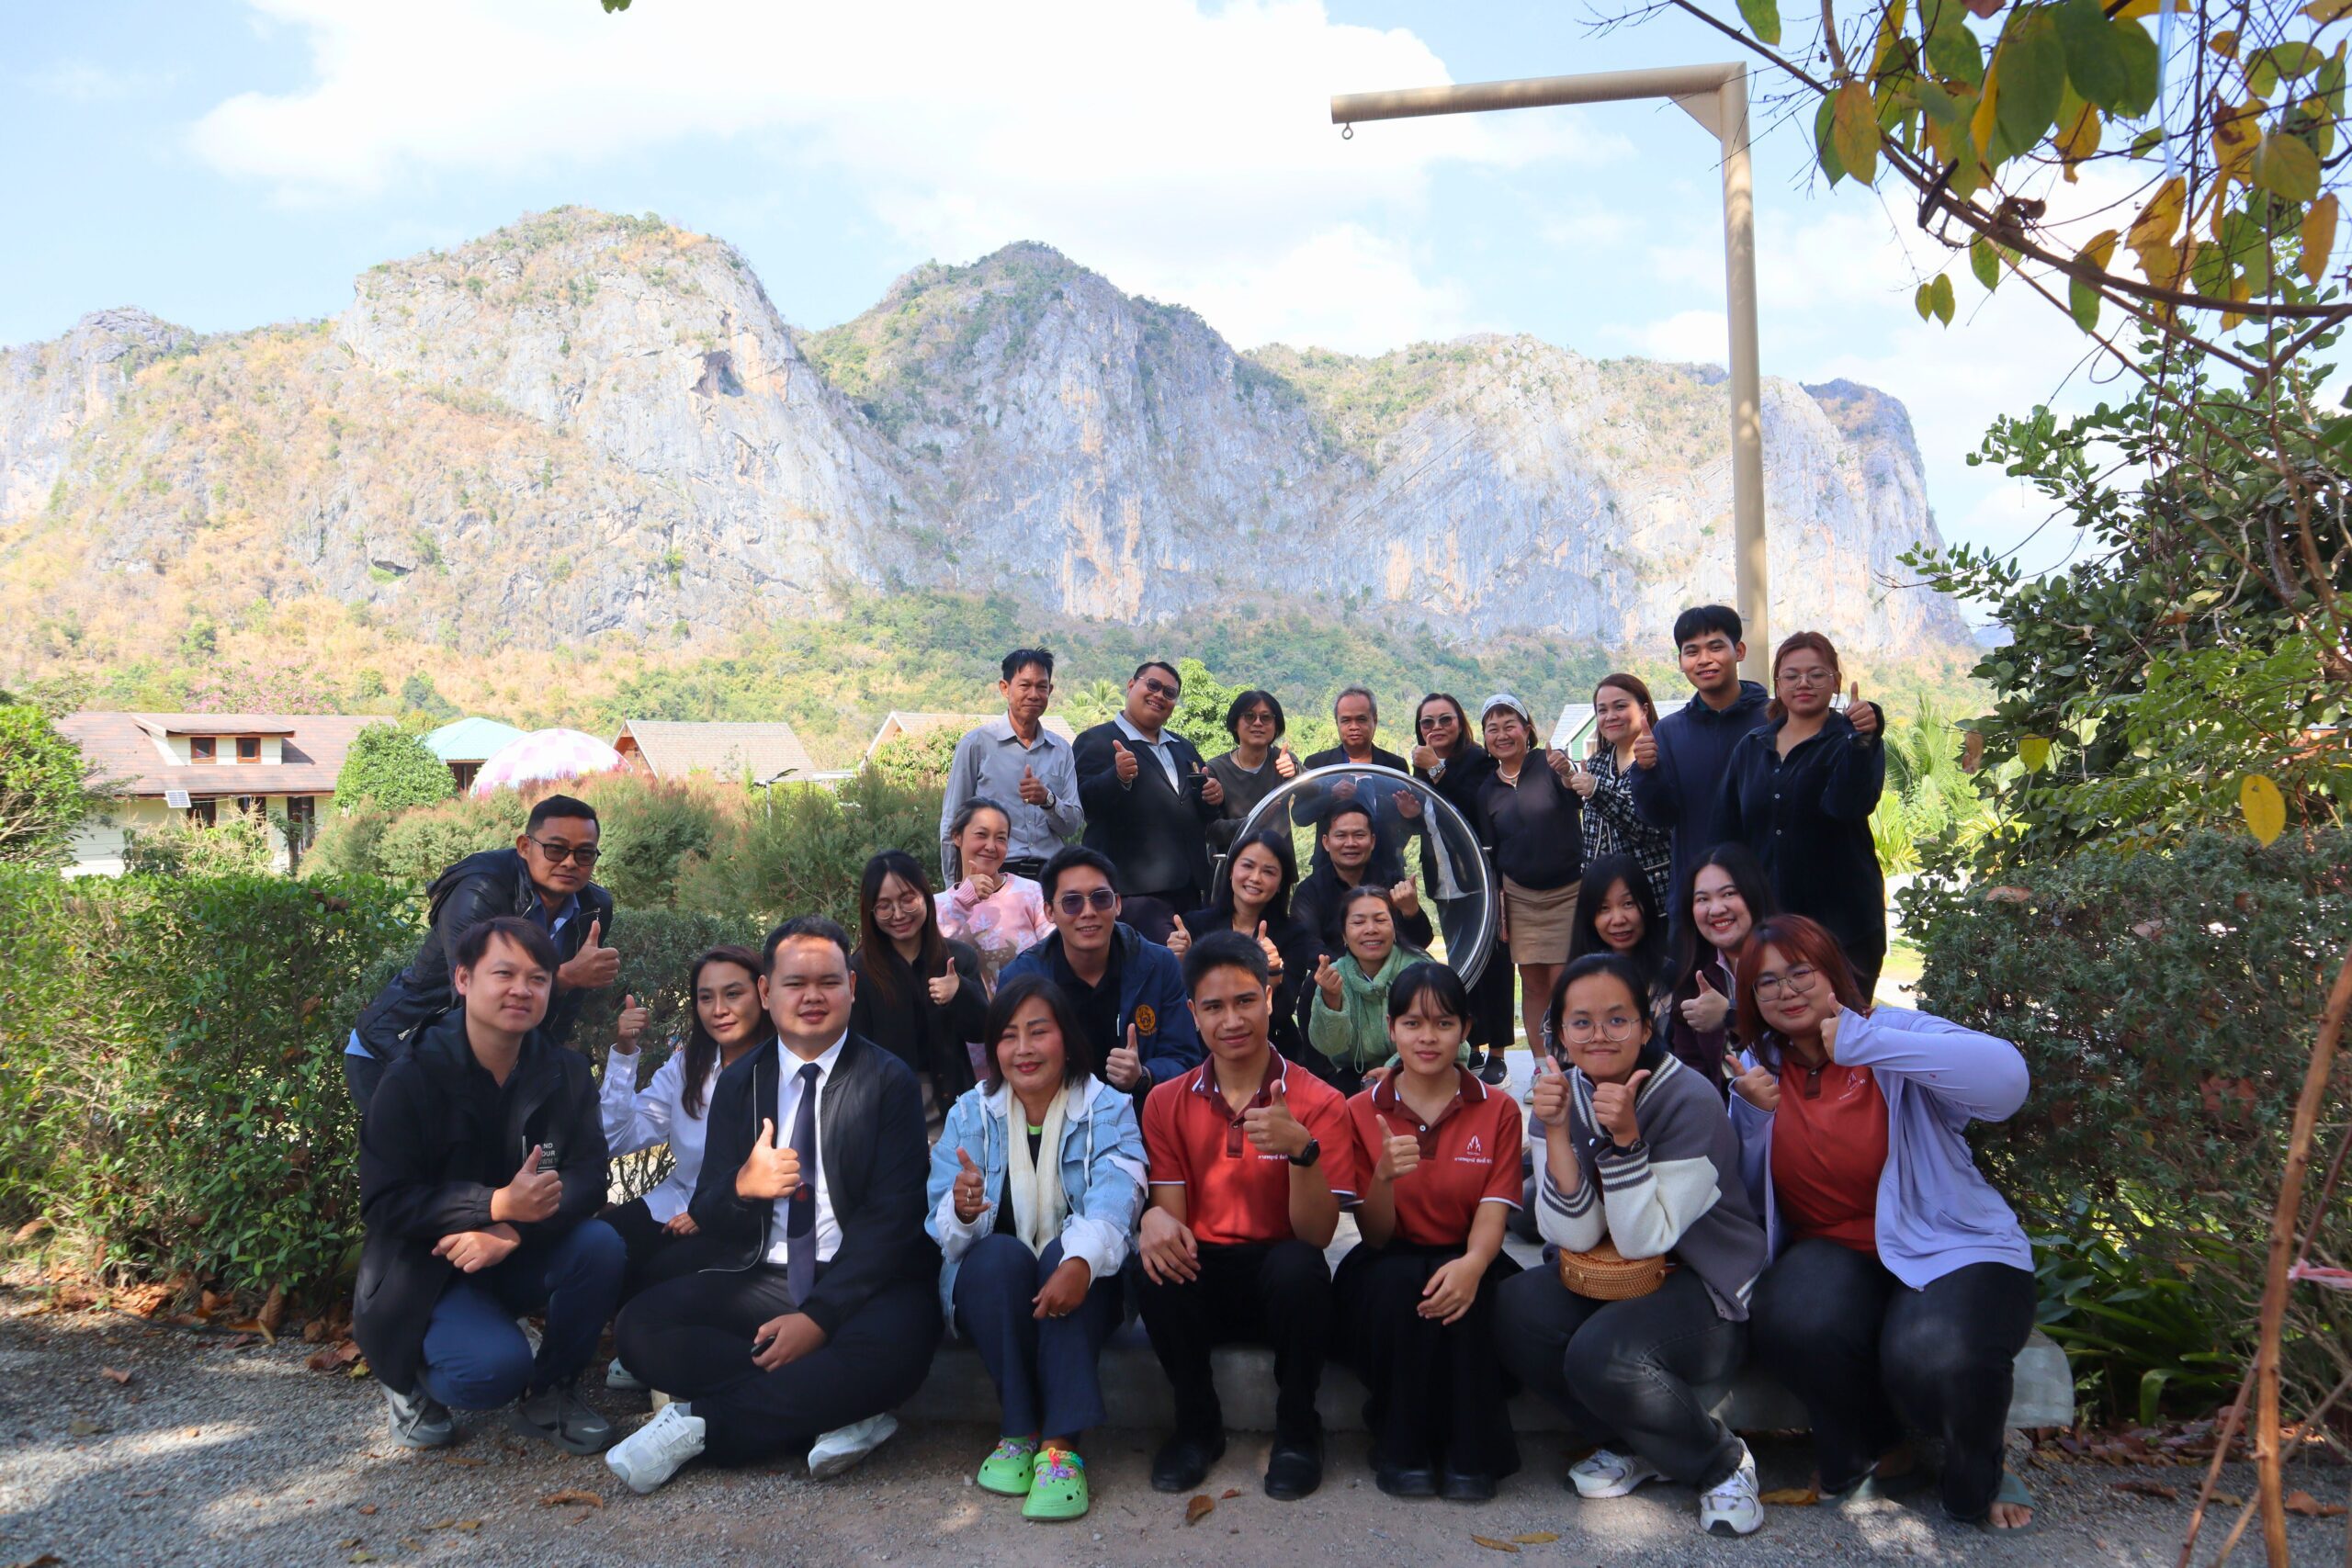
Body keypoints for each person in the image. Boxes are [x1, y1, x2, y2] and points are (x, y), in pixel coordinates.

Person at [605, 918, 940, 1495]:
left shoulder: (888, 1080)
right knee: (641, 1327)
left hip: (868, 1282)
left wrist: (818, 1320)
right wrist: (743, 1186)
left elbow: (893, 1220)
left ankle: (703, 1425)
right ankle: (836, 1408)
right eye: (795, 983)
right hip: (767, 1275)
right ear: (767, 991)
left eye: (828, 982)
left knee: (902, 1344)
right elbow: (708, 1206)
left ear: (851, 988)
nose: (812, 996)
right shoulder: (741, 1083)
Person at [1725, 915, 2038, 1531]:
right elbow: (1746, 1191)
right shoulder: (1759, 1066)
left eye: (1800, 972)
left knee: (1932, 1354)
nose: (1786, 990)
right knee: (1791, 1318)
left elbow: (2007, 1083)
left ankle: (1979, 1469)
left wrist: (1865, 1043)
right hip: (1834, 1251)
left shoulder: (1891, 1031)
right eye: (1767, 982)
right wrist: (1752, 1116)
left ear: (1832, 972)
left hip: (1950, 1243)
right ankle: (1881, 1450)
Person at [1495, 953, 1769, 1539]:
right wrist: (1557, 1131)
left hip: (1703, 1283)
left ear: (1647, 1028)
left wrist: (1624, 1142)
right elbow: (1570, 1234)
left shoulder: (1688, 1099)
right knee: (1517, 1309)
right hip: (1610, 1273)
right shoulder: (1560, 1093)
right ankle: (1633, 1443)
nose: (1599, 1035)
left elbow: (1647, 1238)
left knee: (1602, 1353)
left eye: (1618, 1020)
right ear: (1560, 1032)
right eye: (1581, 1022)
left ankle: (1721, 1463)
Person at [354, 916, 626, 1456]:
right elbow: (385, 1202)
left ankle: (551, 1393)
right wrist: (494, 1204)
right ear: (463, 979)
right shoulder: (412, 1077)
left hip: (513, 1251)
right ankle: (408, 1377)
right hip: (427, 1268)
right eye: (504, 974)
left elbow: (590, 1177)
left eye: (538, 978)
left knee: (601, 1244)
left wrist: (512, 1229)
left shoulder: (564, 1072)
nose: (522, 989)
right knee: (490, 1374)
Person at [1135, 931, 1358, 1501]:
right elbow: (1175, 1223)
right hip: (1206, 1275)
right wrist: (1152, 1220)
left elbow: (1316, 1235)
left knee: (1299, 1267)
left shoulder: (1319, 1101)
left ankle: (1298, 1429)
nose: (1231, 1020)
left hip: (1281, 1284)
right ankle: (1196, 1425)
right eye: (1213, 1007)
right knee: (1155, 1265)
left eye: (1245, 1001)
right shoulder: (1166, 1101)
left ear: (1269, 998)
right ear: (1193, 1014)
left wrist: (1302, 1150)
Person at [926, 976, 1147, 1522]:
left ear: (1066, 1039)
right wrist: (963, 1209)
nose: (1023, 1049)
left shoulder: (1107, 1108)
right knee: (997, 1258)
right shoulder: (969, 1114)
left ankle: (1060, 1445)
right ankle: (1019, 1430)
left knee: (1064, 1254)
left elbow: (1118, 1197)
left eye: (1038, 1031)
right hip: (999, 1293)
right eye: (1008, 1036)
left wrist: (1079, 1262)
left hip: (1086, 1289)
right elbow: (944, 1233)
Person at [1337, 963, 1523, 1500]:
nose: (1427, 1037)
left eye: (1443, 1023)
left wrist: (1473, 1265)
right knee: (1403, 1286)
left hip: (1470, 1251)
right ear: (1391, 1029)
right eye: (1413, 1023)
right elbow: (1374, 1237)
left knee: (1470, 1295)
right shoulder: (1360, 1111)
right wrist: (1383, 1178)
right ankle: (1402, 1448)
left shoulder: (1499, 1109)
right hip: (1388, 1258)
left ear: (1465, 1029)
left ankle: (1472, 1456)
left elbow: (1493, 1210)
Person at [347, 794, 620, 1112]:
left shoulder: (593, 907)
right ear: (524, 846)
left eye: (584, 853)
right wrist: (564, 978)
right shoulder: (480, 890)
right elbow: (471, 1000)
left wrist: (541, 1069)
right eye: (556, 849)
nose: (570, 862)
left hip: (494, 1062)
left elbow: (563, 1010)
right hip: (401, 1050)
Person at [598, 947, 772, 1312]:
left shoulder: (782, 1066)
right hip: (680, 1197)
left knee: (659, 1275)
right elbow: (616, 1138)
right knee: (600, 1244)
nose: (719, 1009)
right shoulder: (689, 1065)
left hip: (746, 1216)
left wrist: (709, 1211)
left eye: (733, 994)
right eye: (706, 998)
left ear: (763, 993)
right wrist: (625, 1052)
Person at [1716, 633, 1889, 995]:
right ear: (1778, 685)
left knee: (1844, 1024)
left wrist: (1863, 741)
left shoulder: (1853, 741)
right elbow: (1727, 833)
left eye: (1817, 674)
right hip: (1769, 925)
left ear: (1836, 682)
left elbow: (1848, 805)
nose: (1804, 683)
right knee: (1775, 1022)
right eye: (1792, 676)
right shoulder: (1751, 747)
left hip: (1845, 927)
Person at [1001, 847, 1201, 1099]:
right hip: (1055, 1114)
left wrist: (1144, 1075)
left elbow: (1185, 1059)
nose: (1088, 912)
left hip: (1140, 1114)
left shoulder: (1159, 966)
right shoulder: (1020, 978)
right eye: (1072, 902)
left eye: (1100, 898)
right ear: (1049, 911)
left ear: (1118, 904)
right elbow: (1009, 1067)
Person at [1629, 605, 1770, 942]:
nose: (1704, 659)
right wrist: (1645, 771)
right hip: (1698, 903)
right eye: (1692, 651)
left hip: (1769, 896)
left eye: (1715, 647)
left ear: (1739, 651)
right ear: (1681, 662)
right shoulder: (1669, 732)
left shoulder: (1773, 719)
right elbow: (1659, 815)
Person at [1072, 660, 1222, 943]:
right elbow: (1085, 803)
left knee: (1191, 967)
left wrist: (1212, 797)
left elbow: (1200, 812)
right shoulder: (1095, 740)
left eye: (1169, 692)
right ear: (1131, 685)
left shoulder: (1183, 747)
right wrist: (1117, 777)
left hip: (1190, 892)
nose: (1159, 695)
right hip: (1135, 896)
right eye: (1152, 685)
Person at [1472, 694, 1584, 1067]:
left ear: (1527, 729)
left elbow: (1576, 794)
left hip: (1569, 892)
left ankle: (1571, 1062)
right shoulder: (1487, 790)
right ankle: (1542, 1067)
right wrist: (1500, 905)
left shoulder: (1549, 764)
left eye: (1510, 726)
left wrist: (1567, 773)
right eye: (1493, 729)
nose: (1502, 735)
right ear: (1485, 739)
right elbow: (1491, 852)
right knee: (1533, 984)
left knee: (1564, 982)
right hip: (1520, 897)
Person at [1410, 692, 1515, 1077]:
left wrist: (1437, 769)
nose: (1436, 727)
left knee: (1495, 965)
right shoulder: (1422, 764)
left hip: (1480, 879)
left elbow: (1475, 807)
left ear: (1460, 723)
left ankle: (1499, 1053)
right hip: (1444, 880)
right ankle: (1472, 1046)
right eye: (1427, 722)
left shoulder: (1478, 760)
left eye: (1445, 719)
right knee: (1461, 965)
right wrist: (1409, 813)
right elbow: (1428, 819)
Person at [850, 851, 989, 1129]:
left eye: (907, 899)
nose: (898, 914)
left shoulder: (957, 958)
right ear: (870, 911)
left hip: (953, 1103)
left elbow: (983, 1029)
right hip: (888, 1107)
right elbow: (855, 1050)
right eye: (884, 906)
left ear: (925, 896)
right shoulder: (860, 971)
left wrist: (960, 992)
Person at [1166, 829, 1318, 1067]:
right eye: (1247, 866)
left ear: (1281, 883)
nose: (1255, 878)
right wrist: (1182, 962)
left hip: (1272, 1052)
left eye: (1269, 871)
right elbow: (1182, 1005)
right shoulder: (1196, 925)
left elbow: (1281, 1012)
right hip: (1204, 1053)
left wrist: (1273, 974)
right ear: (1230, 871)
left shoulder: (1293, 935)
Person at [940, 648, 1084, 885]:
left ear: (1050, 690)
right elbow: (952, 822)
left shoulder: (1061, 750)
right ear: (1005, 688)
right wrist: (954, 889)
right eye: (1025, 685)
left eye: (1041, 687)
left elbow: (1072, 825)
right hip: (994, 876)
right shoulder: (976, 744)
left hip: (1049, 877)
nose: (1034, 695)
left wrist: (1047, 800)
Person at [1663, 844, 1780, 1095]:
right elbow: (1690, 1070)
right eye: (1702, 899)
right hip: (1724, 1109)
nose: (1716, 909)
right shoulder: (1694, 974)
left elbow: (1802, 1034)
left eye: (1728, 894)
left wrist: (1730, 1014)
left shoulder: (1791, 955)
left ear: (1753, 893)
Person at [1304, 886, 1437, 1095]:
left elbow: (1442, 1037)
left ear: (1394, 928)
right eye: (1358, 922)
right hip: (1358, 1078)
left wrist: (1394, 1071)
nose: (1371, 929)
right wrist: (1331, 1000)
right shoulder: (1335, 975)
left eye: (1380, 920)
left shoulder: (1420, 969)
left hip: (1420, 1070)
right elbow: (1329, 1047)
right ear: (1344, 935)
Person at [1567, 674, 1673, 910]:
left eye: (1620, 706)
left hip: (1652, 900)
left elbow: (1651, 828)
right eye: (1602, 710)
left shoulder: (1662, 760)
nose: (1610, 716)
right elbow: (1592, 838)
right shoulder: (1596, 763)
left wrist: (1597, 791)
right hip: (1602, 899)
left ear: (1644, 709)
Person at [1293, 685, 1416, 885]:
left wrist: (1410, 815)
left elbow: (1407, 825)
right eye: (1346, 720)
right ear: (1337, 723)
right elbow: (1300, 816)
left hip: (1385, 875)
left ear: (1374, 720)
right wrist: (1330, 794)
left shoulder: (1394, 766)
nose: (1354, 727)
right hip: (1330, 877)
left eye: (1361, 719)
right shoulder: (1319, 764)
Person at [1289, 799, 1433, 959]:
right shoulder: (1310, 892)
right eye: (1341, 835)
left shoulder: (1392, 883)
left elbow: (1420, 944)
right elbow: (1306, 946)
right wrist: (1348, 971)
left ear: (1372, 841)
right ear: (1326, 842)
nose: (1350, 843)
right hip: (1333, 973)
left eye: (1359, 835)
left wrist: (1411, 912)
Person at [935, 796, 1055, 988]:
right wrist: (964, 898)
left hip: (1026, 1004)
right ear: (957, 837)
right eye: (981, 835)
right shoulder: (936, 905)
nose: (991, 847)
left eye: (1000, 838)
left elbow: (1055, 953)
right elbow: (932, 957)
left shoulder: (1032, 892)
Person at [1563, 854, 1672, 1011]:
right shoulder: (1574, 979)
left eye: (1628, 904)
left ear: (1646, 905)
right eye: (1604, 908)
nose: (1618, 920)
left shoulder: (1668, 975)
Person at [1203, 690, 1299, 852]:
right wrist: (1254, 822)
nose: (1258, 723)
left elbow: (1315, 791)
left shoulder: (1283, 760)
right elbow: (1209, 830)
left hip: (1277, 861)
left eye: (1266, 717)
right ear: (1235, 724)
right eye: (1249, 716)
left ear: (1276, 726)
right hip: (1232, 864)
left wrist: (1296, 772)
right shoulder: (1216, 769)